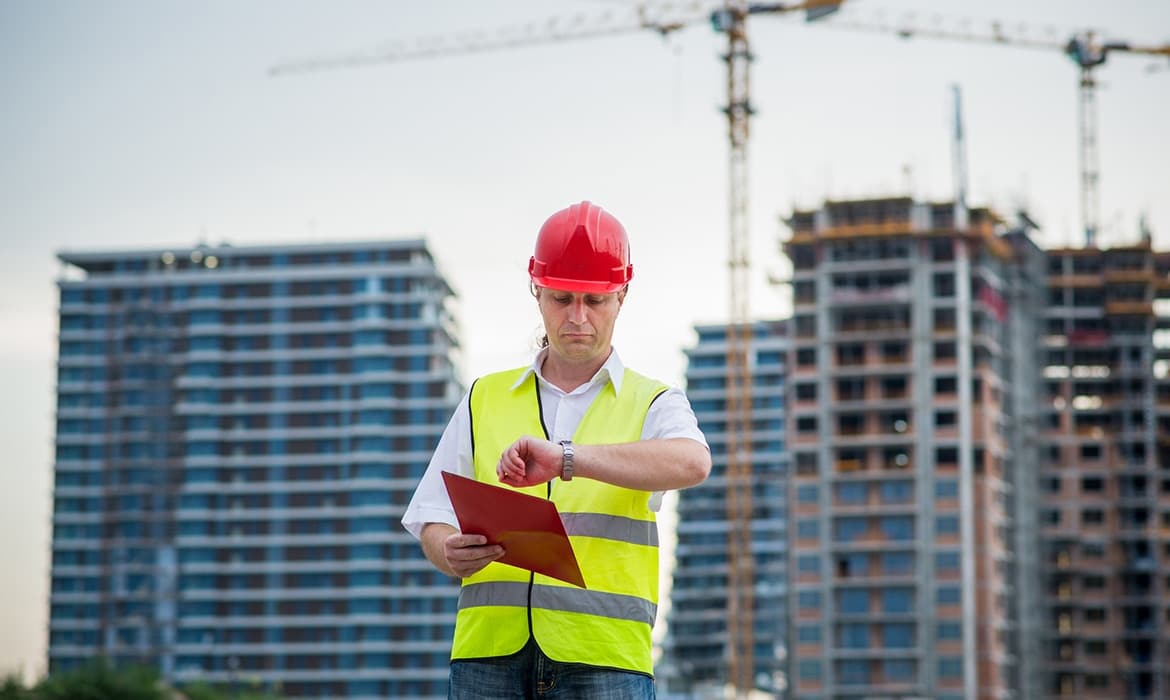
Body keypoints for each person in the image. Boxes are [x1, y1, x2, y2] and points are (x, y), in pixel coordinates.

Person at [402, 200, 712, 699]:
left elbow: (694, 462)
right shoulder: (485, 397)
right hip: (489, 659)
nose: (578, 317)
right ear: (537, 291)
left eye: (595, 301)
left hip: (604, 658)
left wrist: (569, 459)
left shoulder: (654, 402)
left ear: (622, 296)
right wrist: (447, 550)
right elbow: (432, 514)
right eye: (562, 299)